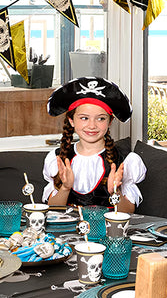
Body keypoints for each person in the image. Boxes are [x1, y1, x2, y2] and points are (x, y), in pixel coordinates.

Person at [42, 77, 146, 212]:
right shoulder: (57, 159)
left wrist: (116, 192)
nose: (92, 125)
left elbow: (128, 213)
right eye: (84, 118)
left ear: (109, 122)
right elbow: (53, 210)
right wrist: (65, 188)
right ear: (71, 120)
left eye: (101, 118)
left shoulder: (125, 161)